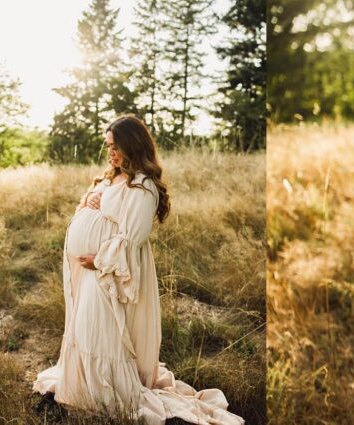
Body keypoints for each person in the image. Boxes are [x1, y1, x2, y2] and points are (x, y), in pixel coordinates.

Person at [34, 115, 243, 425]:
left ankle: (107, 396)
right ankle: (87, 390)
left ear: (133, 145)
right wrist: (89, 201)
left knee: (101, 334)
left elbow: (133, 238)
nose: (111, 153)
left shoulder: (144, 185)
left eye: (116, 147)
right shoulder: (114, 176)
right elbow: (97, 212)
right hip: (94, 271)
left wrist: (99, 260)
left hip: (110, 273)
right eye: (108, 146)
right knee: (86, 330)